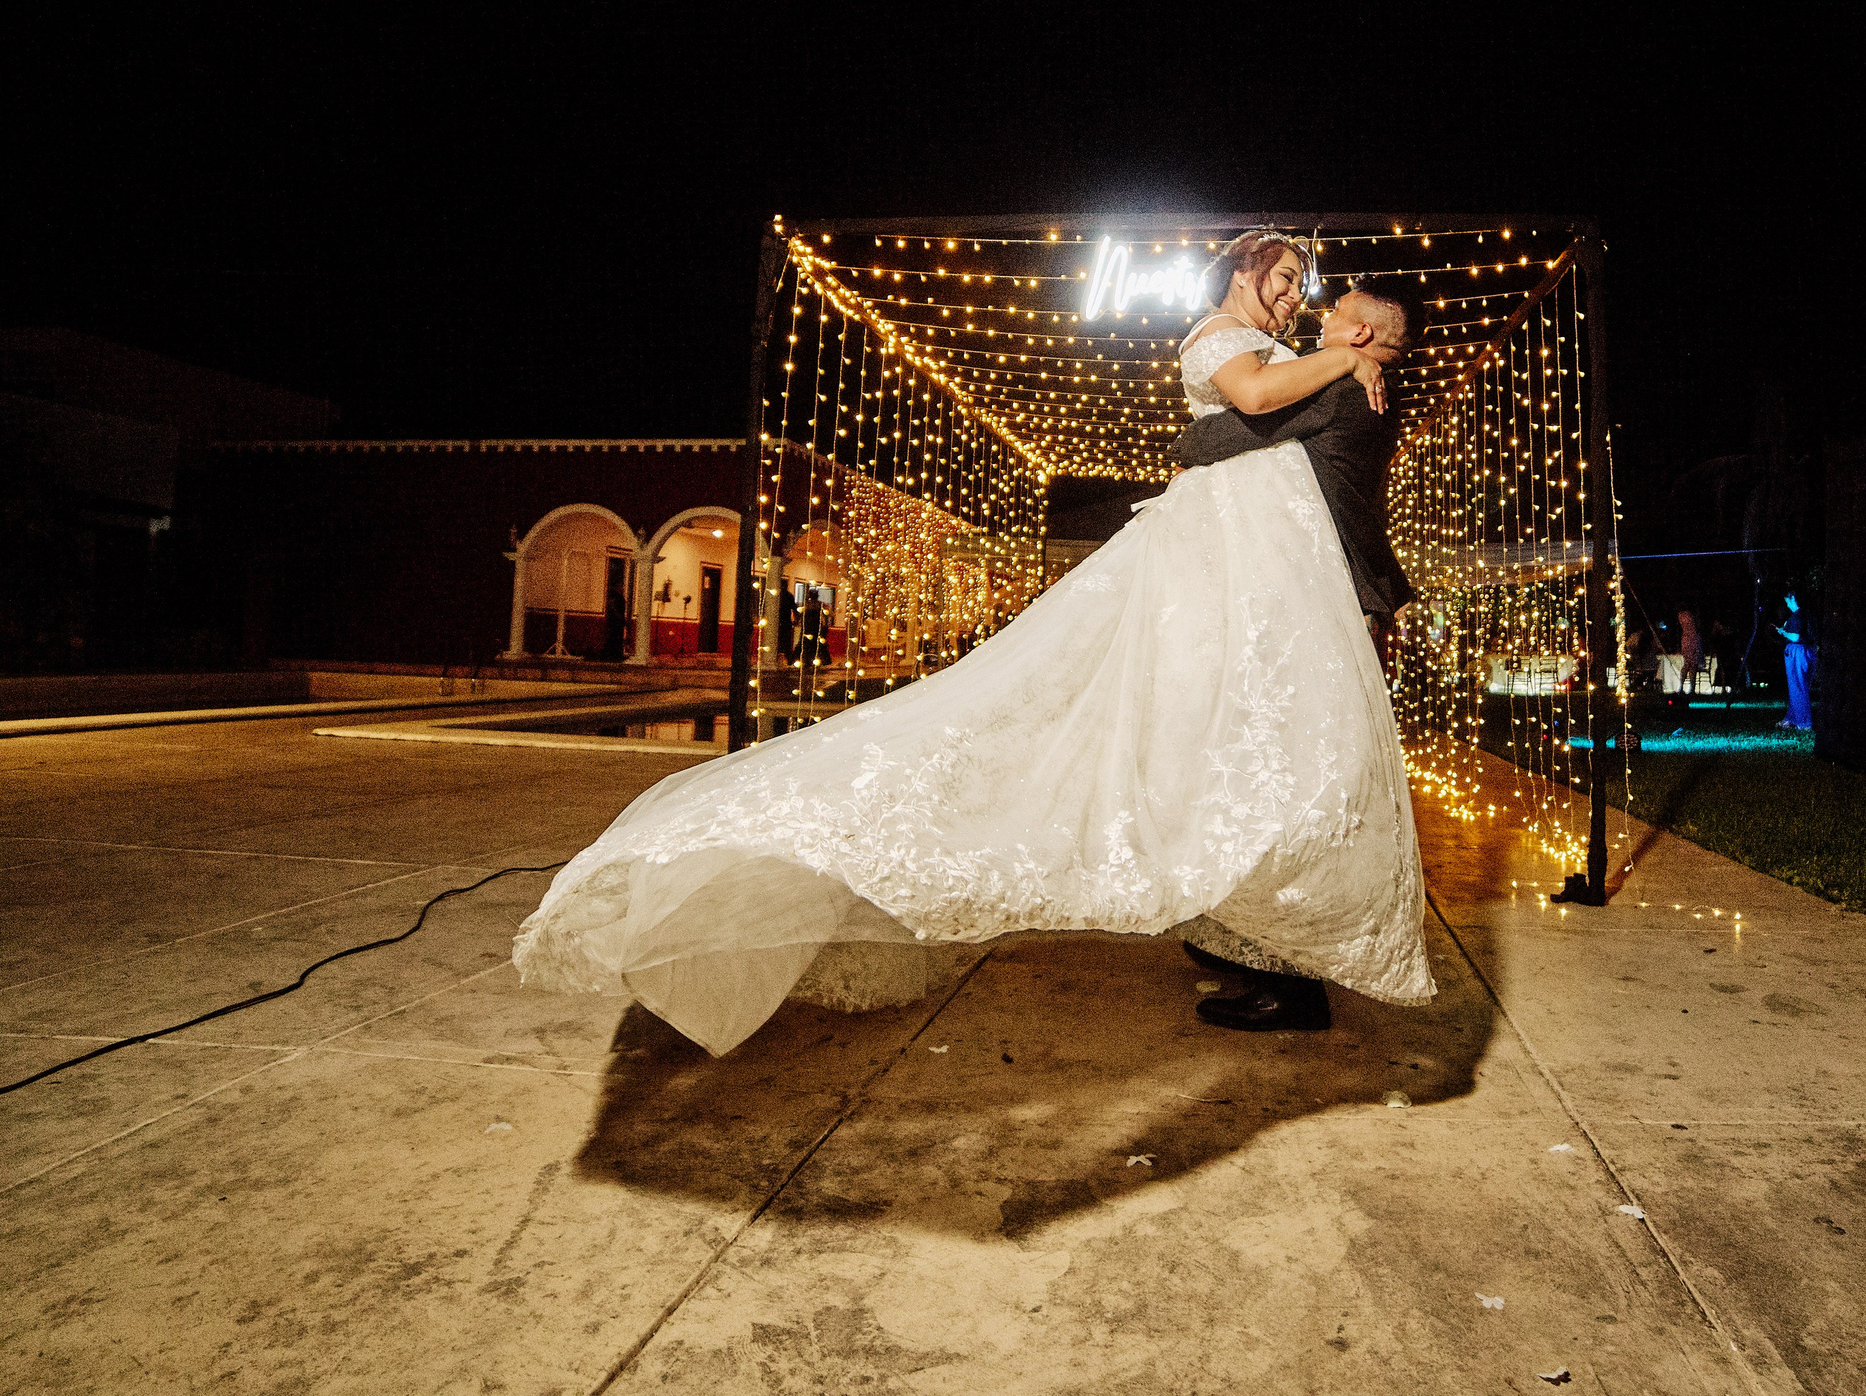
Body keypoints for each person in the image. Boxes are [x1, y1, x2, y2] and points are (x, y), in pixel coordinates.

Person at [512, 230, 1435, 1055]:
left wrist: (1353, 362)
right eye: (1281, 278)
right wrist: (1347, 360)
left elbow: (1261, 436)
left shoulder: (1307, 356)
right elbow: (1250, 397)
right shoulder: (1222, 336)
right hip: (1204, 563)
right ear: (1242, 267)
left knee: (1221, 738)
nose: (1292, 297)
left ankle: (1250, 930)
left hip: (1254, 575)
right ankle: (1242, 927)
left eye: (1301, 289)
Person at [1168, 270, 1428, 1030]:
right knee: (1282, 774)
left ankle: (1294, 982)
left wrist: (1188, 445)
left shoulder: (1343, 389)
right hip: (1334, 595)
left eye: (1337, 314)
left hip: (1332, 599)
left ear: (1360, 334)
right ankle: (1255, 944)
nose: (1320, 315)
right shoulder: (1356, 383)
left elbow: (1219, 433)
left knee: (1292, 786)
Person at [1774, 589, 1816, 731]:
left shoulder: (1797, 617)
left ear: (1794, 599)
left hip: (1797, 652)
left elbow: (1796, 637)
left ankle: (1804, 722)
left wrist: (1783, 632)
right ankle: (1792, 718)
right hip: (1807, 651)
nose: (1787, 605)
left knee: (1798, 686)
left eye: (1788, 601)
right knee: (1799, 686)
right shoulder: (1807, 614)